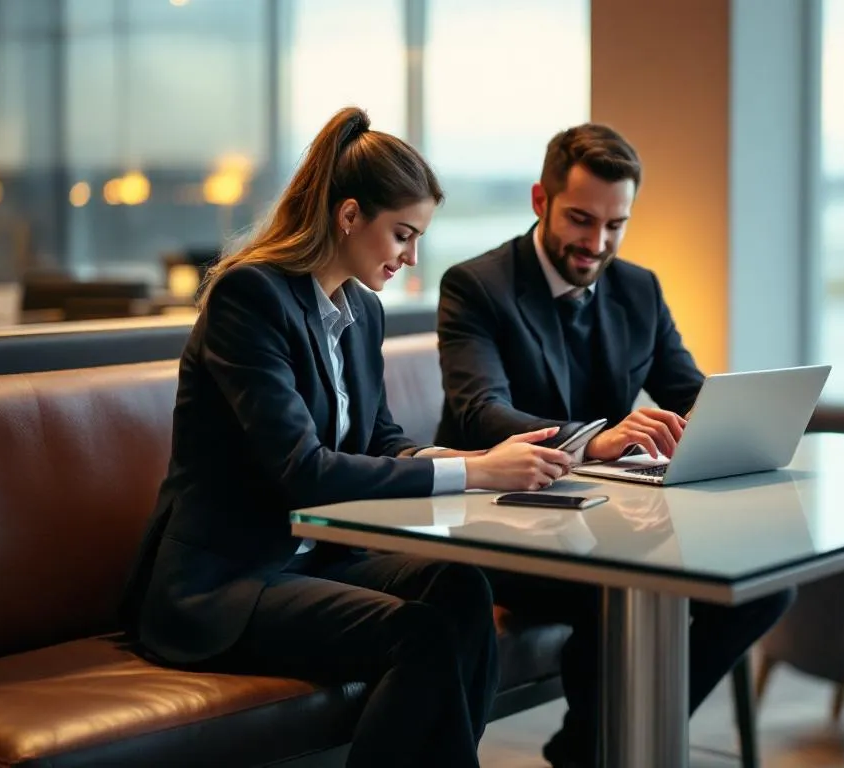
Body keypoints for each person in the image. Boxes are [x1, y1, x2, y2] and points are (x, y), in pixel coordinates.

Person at [119, 107, 573, 768]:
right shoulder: (250, 298)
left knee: (460, 587)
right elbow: (305, 470)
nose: (411, 257)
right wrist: (476, 475)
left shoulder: (361, 312)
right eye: (402, 234)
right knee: (418, 635)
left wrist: (473, 459)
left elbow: (382, 439)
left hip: (311, 559)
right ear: (349, 215)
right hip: (227, 582)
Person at [434, 123, 794, 767]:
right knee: (619, 591)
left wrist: (736, 426)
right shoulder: (476, 286)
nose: (596, 243)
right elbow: (480, 411)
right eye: (580, 219)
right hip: (500, 521)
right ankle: (609, 746)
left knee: (767, 583)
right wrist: (593, 441)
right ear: (541, 200)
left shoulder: (638, 288)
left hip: (608, 520)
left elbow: (686, 391)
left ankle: (595, 745)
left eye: (615, 224)